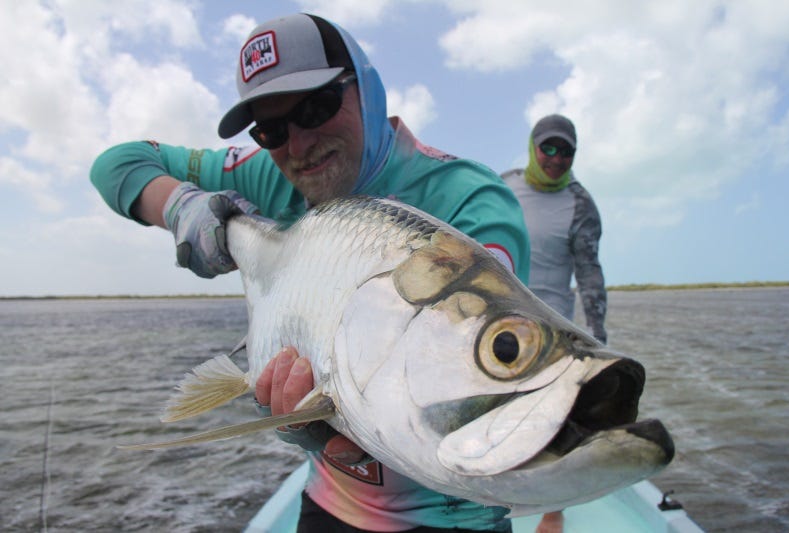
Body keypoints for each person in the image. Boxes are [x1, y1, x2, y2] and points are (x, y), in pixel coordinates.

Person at [90, 13, 530, 533]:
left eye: (316, 107)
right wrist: (182, 205)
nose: (297, 147)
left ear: (366, 88)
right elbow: (117, 164)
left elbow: (482, 380)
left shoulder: (470, 199)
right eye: (270, 129)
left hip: (458, 517)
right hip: (331, 503)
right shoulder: (267, 172)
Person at [502, 114, 608, 533]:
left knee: (554, 418)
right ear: (533, 147)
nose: (556, 158)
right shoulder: (503, 187)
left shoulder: (581, 205)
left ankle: (552, 509)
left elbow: (590, 274)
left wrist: (598, 335)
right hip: (503, 325)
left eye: (566, 151)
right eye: (548, 148)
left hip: (555, 329)